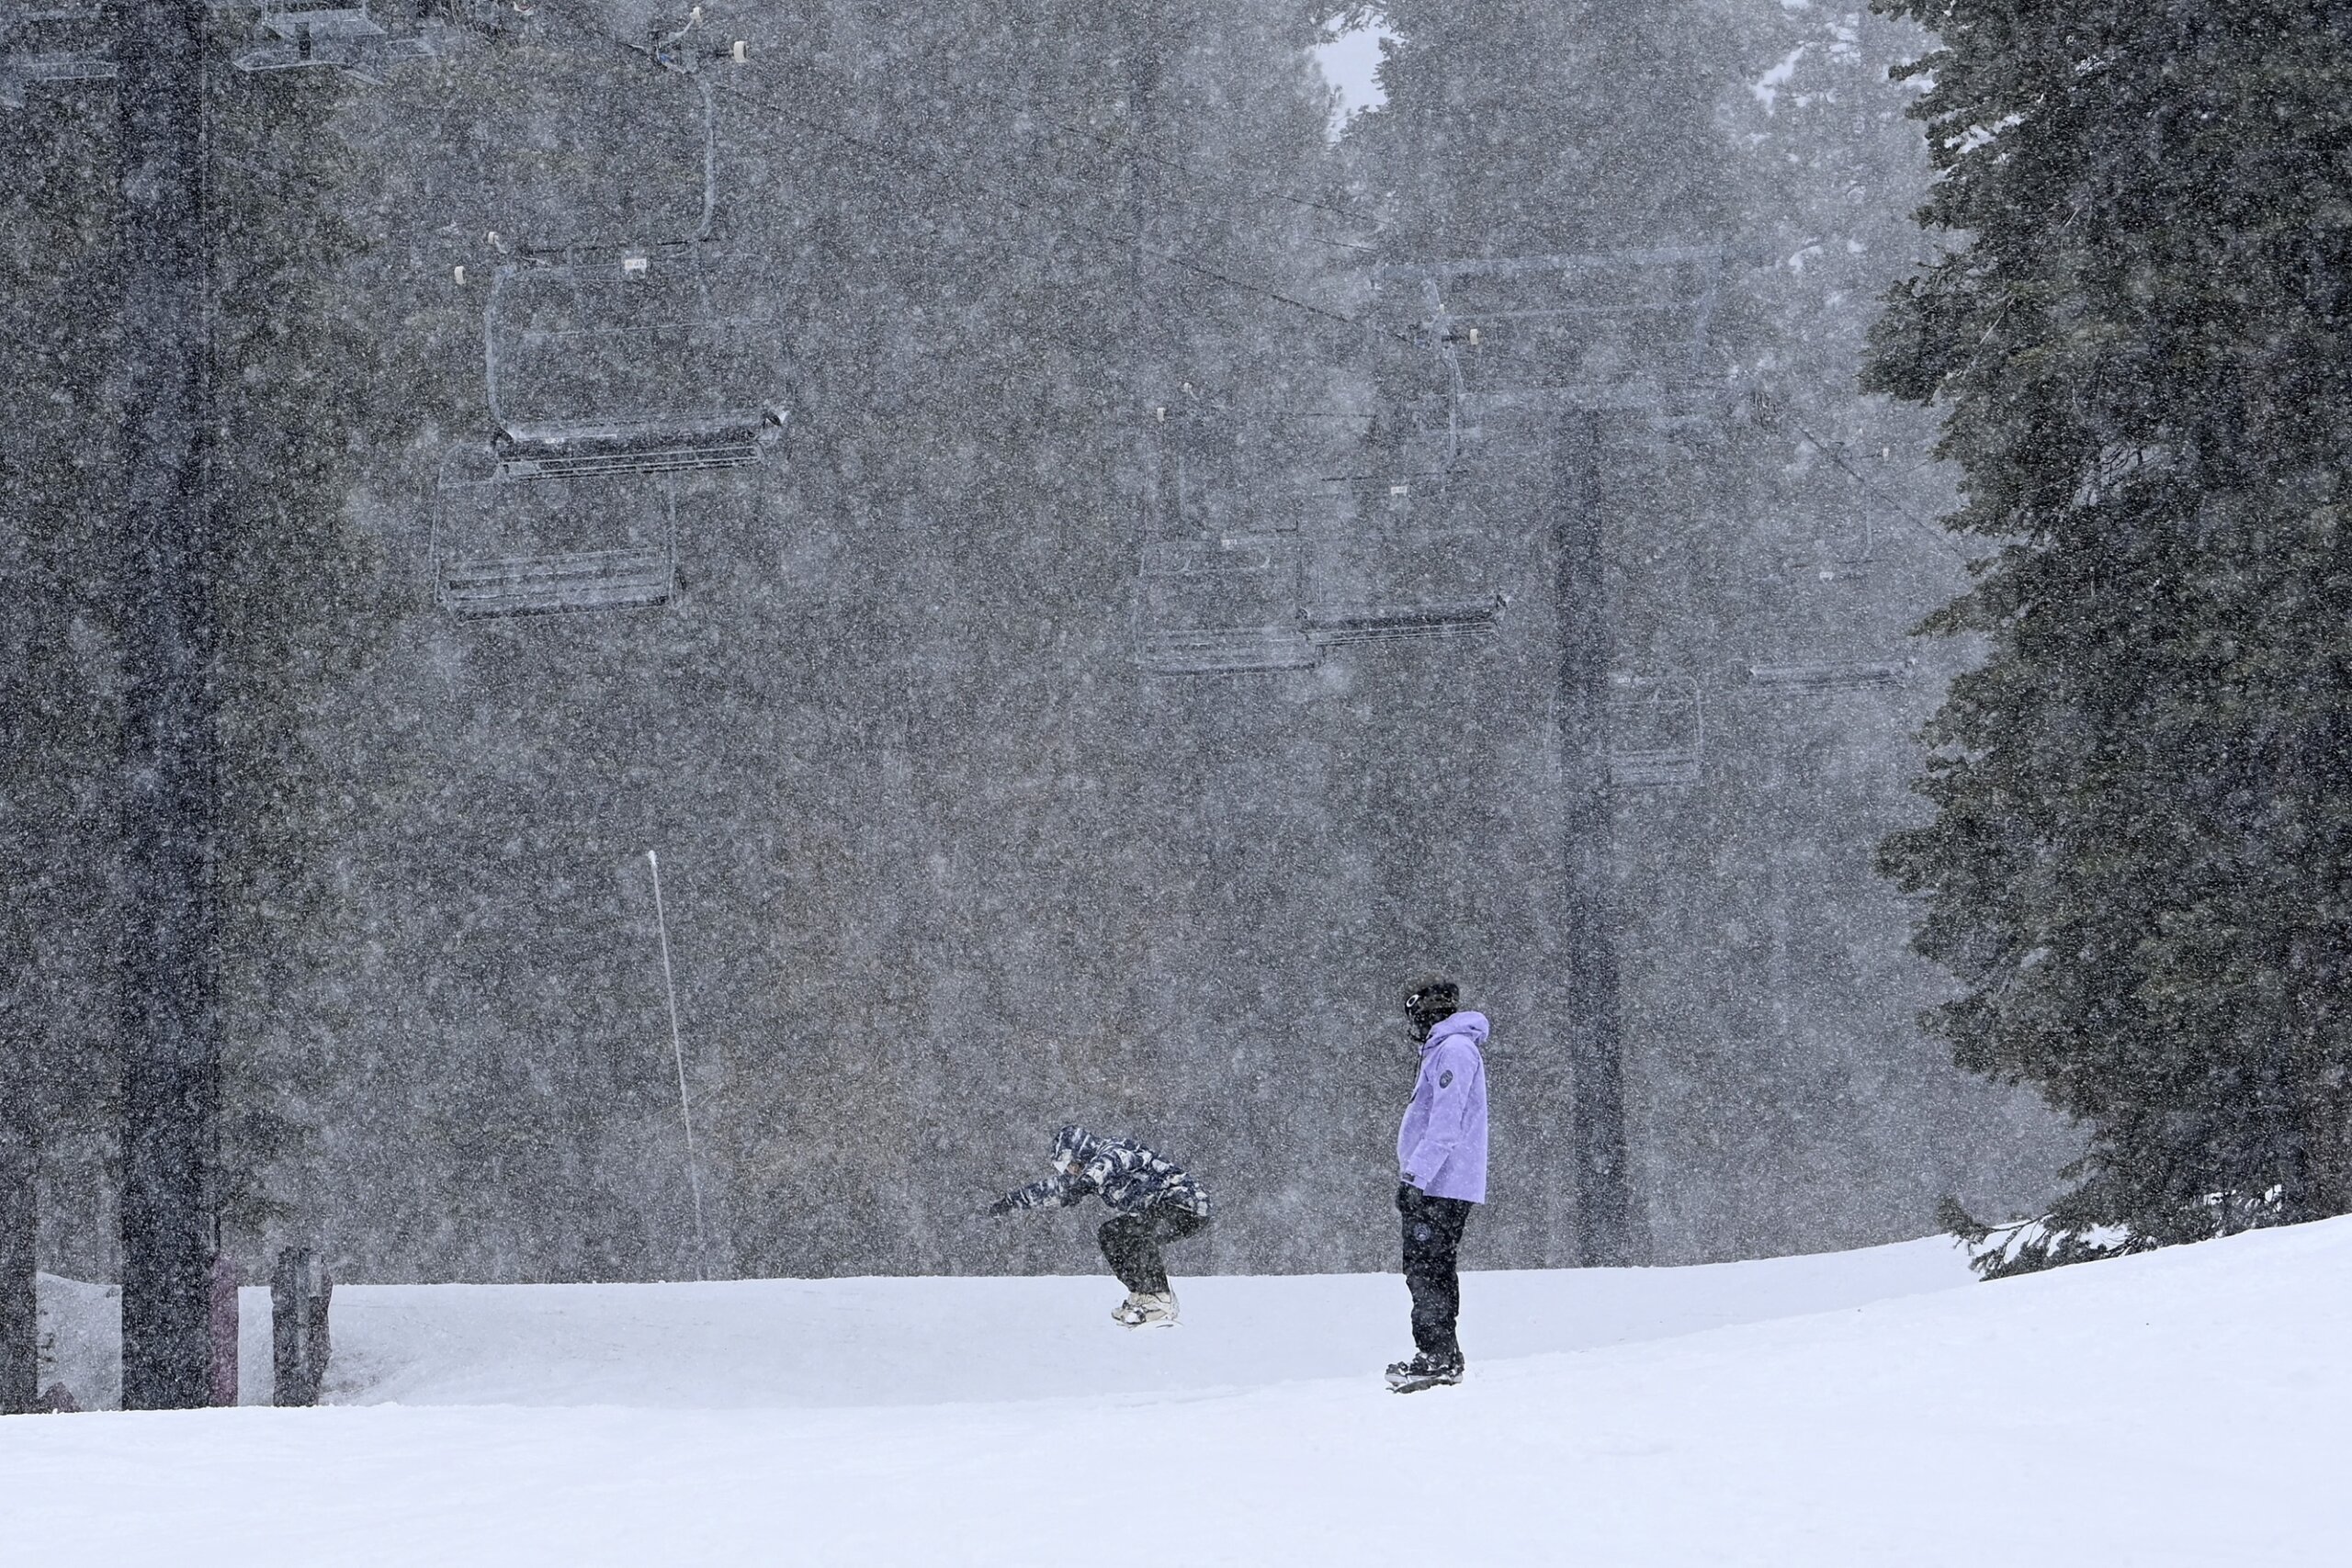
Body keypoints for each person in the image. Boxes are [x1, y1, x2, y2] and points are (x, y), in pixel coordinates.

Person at [985, 1124, 1213, 1328]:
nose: (1071, 1171)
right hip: (1159, 1210)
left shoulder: (1114, 1149)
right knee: (1110, 1233)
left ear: (1081, 1151)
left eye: (1071, 1164)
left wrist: (1085, 1183)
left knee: (1135, 1232)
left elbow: (1111, 1161)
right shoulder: (1089, 1174)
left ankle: (1159, 1297)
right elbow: (1050, 1189)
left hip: (1185, 1206)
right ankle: (1141, 1294)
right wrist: (1009, 1203)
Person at [1385, 978, 1489, 1393]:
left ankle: (1436, 1356)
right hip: (1439, 1182)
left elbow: (1445, 1124)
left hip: (1440, 1184)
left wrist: (1416, 1176)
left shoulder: (1454, 1050)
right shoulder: (1444, 1051)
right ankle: (1444, 1354)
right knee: (1431, 1268)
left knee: (1427, 1268)